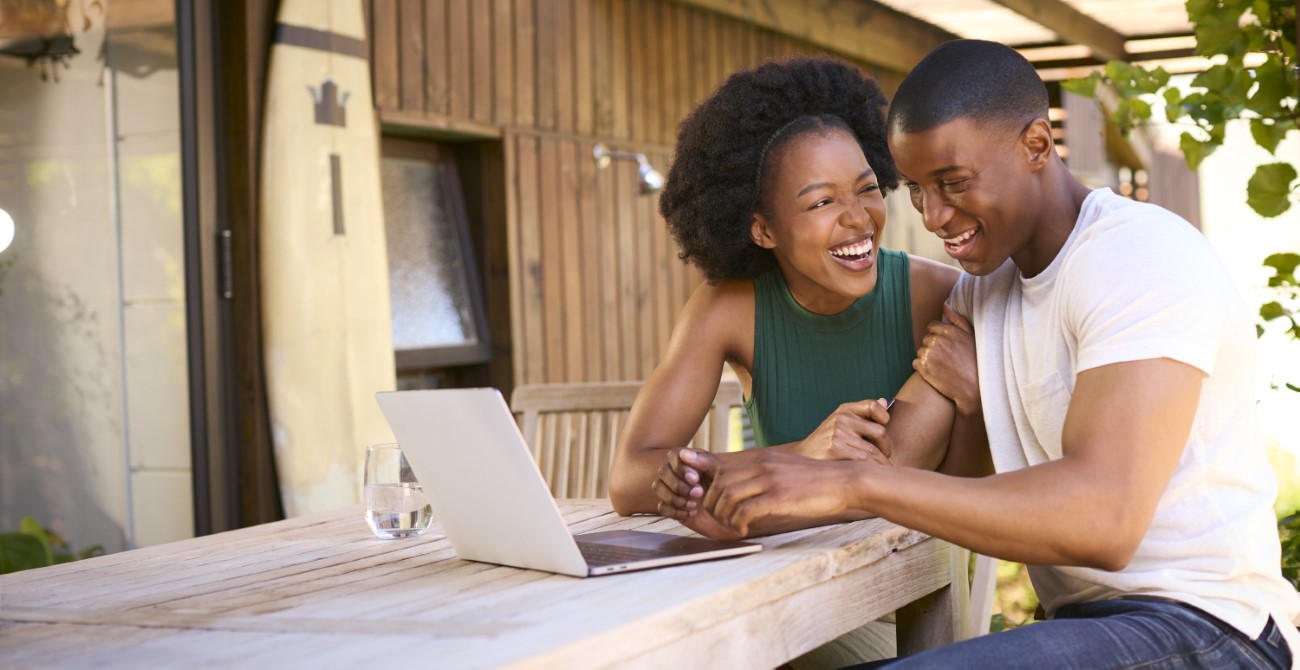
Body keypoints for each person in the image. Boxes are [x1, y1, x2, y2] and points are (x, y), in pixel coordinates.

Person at [666, 40, 1300, 668]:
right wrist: (734, 500)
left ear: (1036, 146)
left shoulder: (1137, 257)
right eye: (915, 189)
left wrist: (850, 479)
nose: (935, 215)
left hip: (1213, 629)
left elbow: (1105, 518)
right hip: (1084, 626)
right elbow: (894, 459)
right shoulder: (979, 293)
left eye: (953, 183)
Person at [607, 55, 967, 537]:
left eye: (866, 189)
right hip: (784, 567)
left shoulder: (938, 296)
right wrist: (801, 452)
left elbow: (893, 467)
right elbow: (630, 479)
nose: (858, 219)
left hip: (907, 580)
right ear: (762, 229)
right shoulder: (729, 310)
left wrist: (729, 486)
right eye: (821, 202)